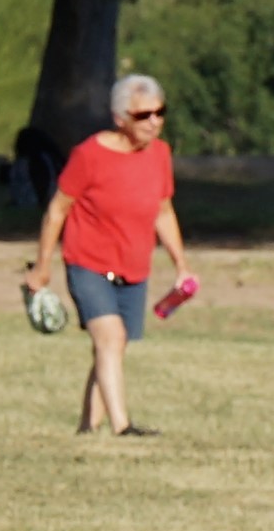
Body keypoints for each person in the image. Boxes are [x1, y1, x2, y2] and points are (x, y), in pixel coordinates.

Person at [23, 73, 186, 438]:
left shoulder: (160, 155)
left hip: (134, 264)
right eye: (144, 115)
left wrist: (181, 264)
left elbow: (163, 211)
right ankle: (122, 426)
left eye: (160, 112)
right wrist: (43, 266)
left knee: (114, 346)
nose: (155, 122)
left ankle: (87, 428)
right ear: (120, 118)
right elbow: (57, 210)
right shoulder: (90, 155)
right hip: (88, 262)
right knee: (109, 338)